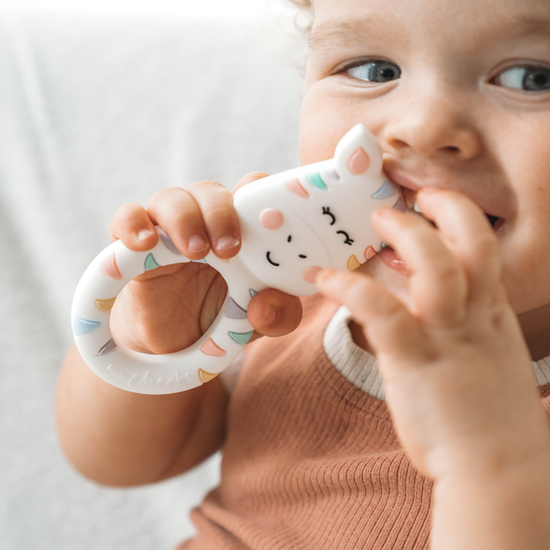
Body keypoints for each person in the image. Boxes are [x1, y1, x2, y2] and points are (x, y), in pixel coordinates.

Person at [56, 0, 550, 548]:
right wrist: (149, 338)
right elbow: (125, 464)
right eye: (373, 70)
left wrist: (490, 462)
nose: (421, 127)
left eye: (532, 78)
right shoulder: (285, 300)